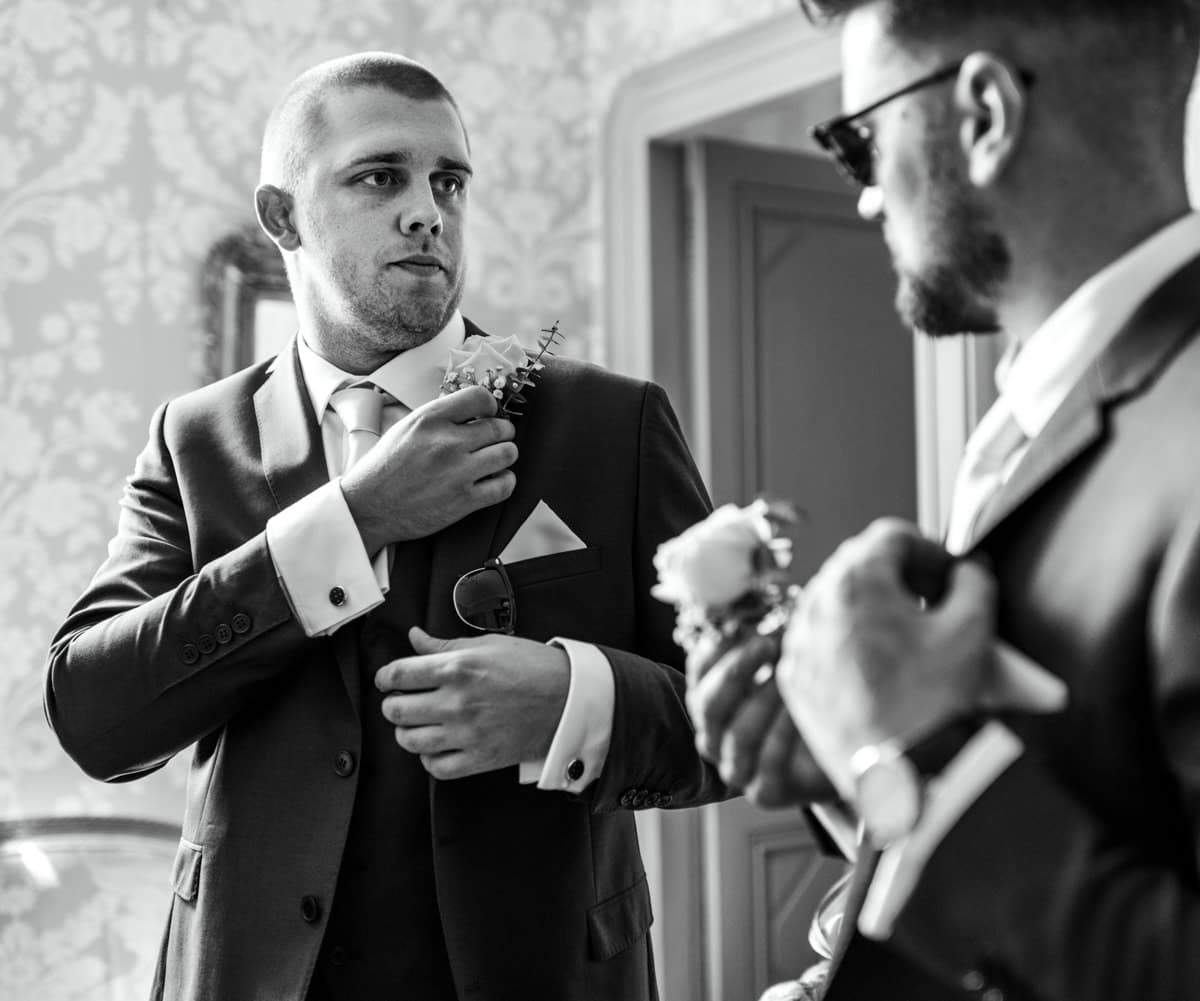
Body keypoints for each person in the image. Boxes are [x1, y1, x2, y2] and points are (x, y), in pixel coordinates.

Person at [689, 2, 1200, 1000]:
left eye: (858, 140)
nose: (860, 198)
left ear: (985, 113)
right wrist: (853, 761)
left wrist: (919, 762)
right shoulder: (1046, 426)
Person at [46, 51, 724, 1001]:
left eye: (449, 181)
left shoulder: (612, 425)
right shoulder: (195, 440)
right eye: (380, 177)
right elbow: (94, 716)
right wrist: (354, 518)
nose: (427, 211)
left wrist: (577, 697)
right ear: (282, 215)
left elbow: (741, 714)